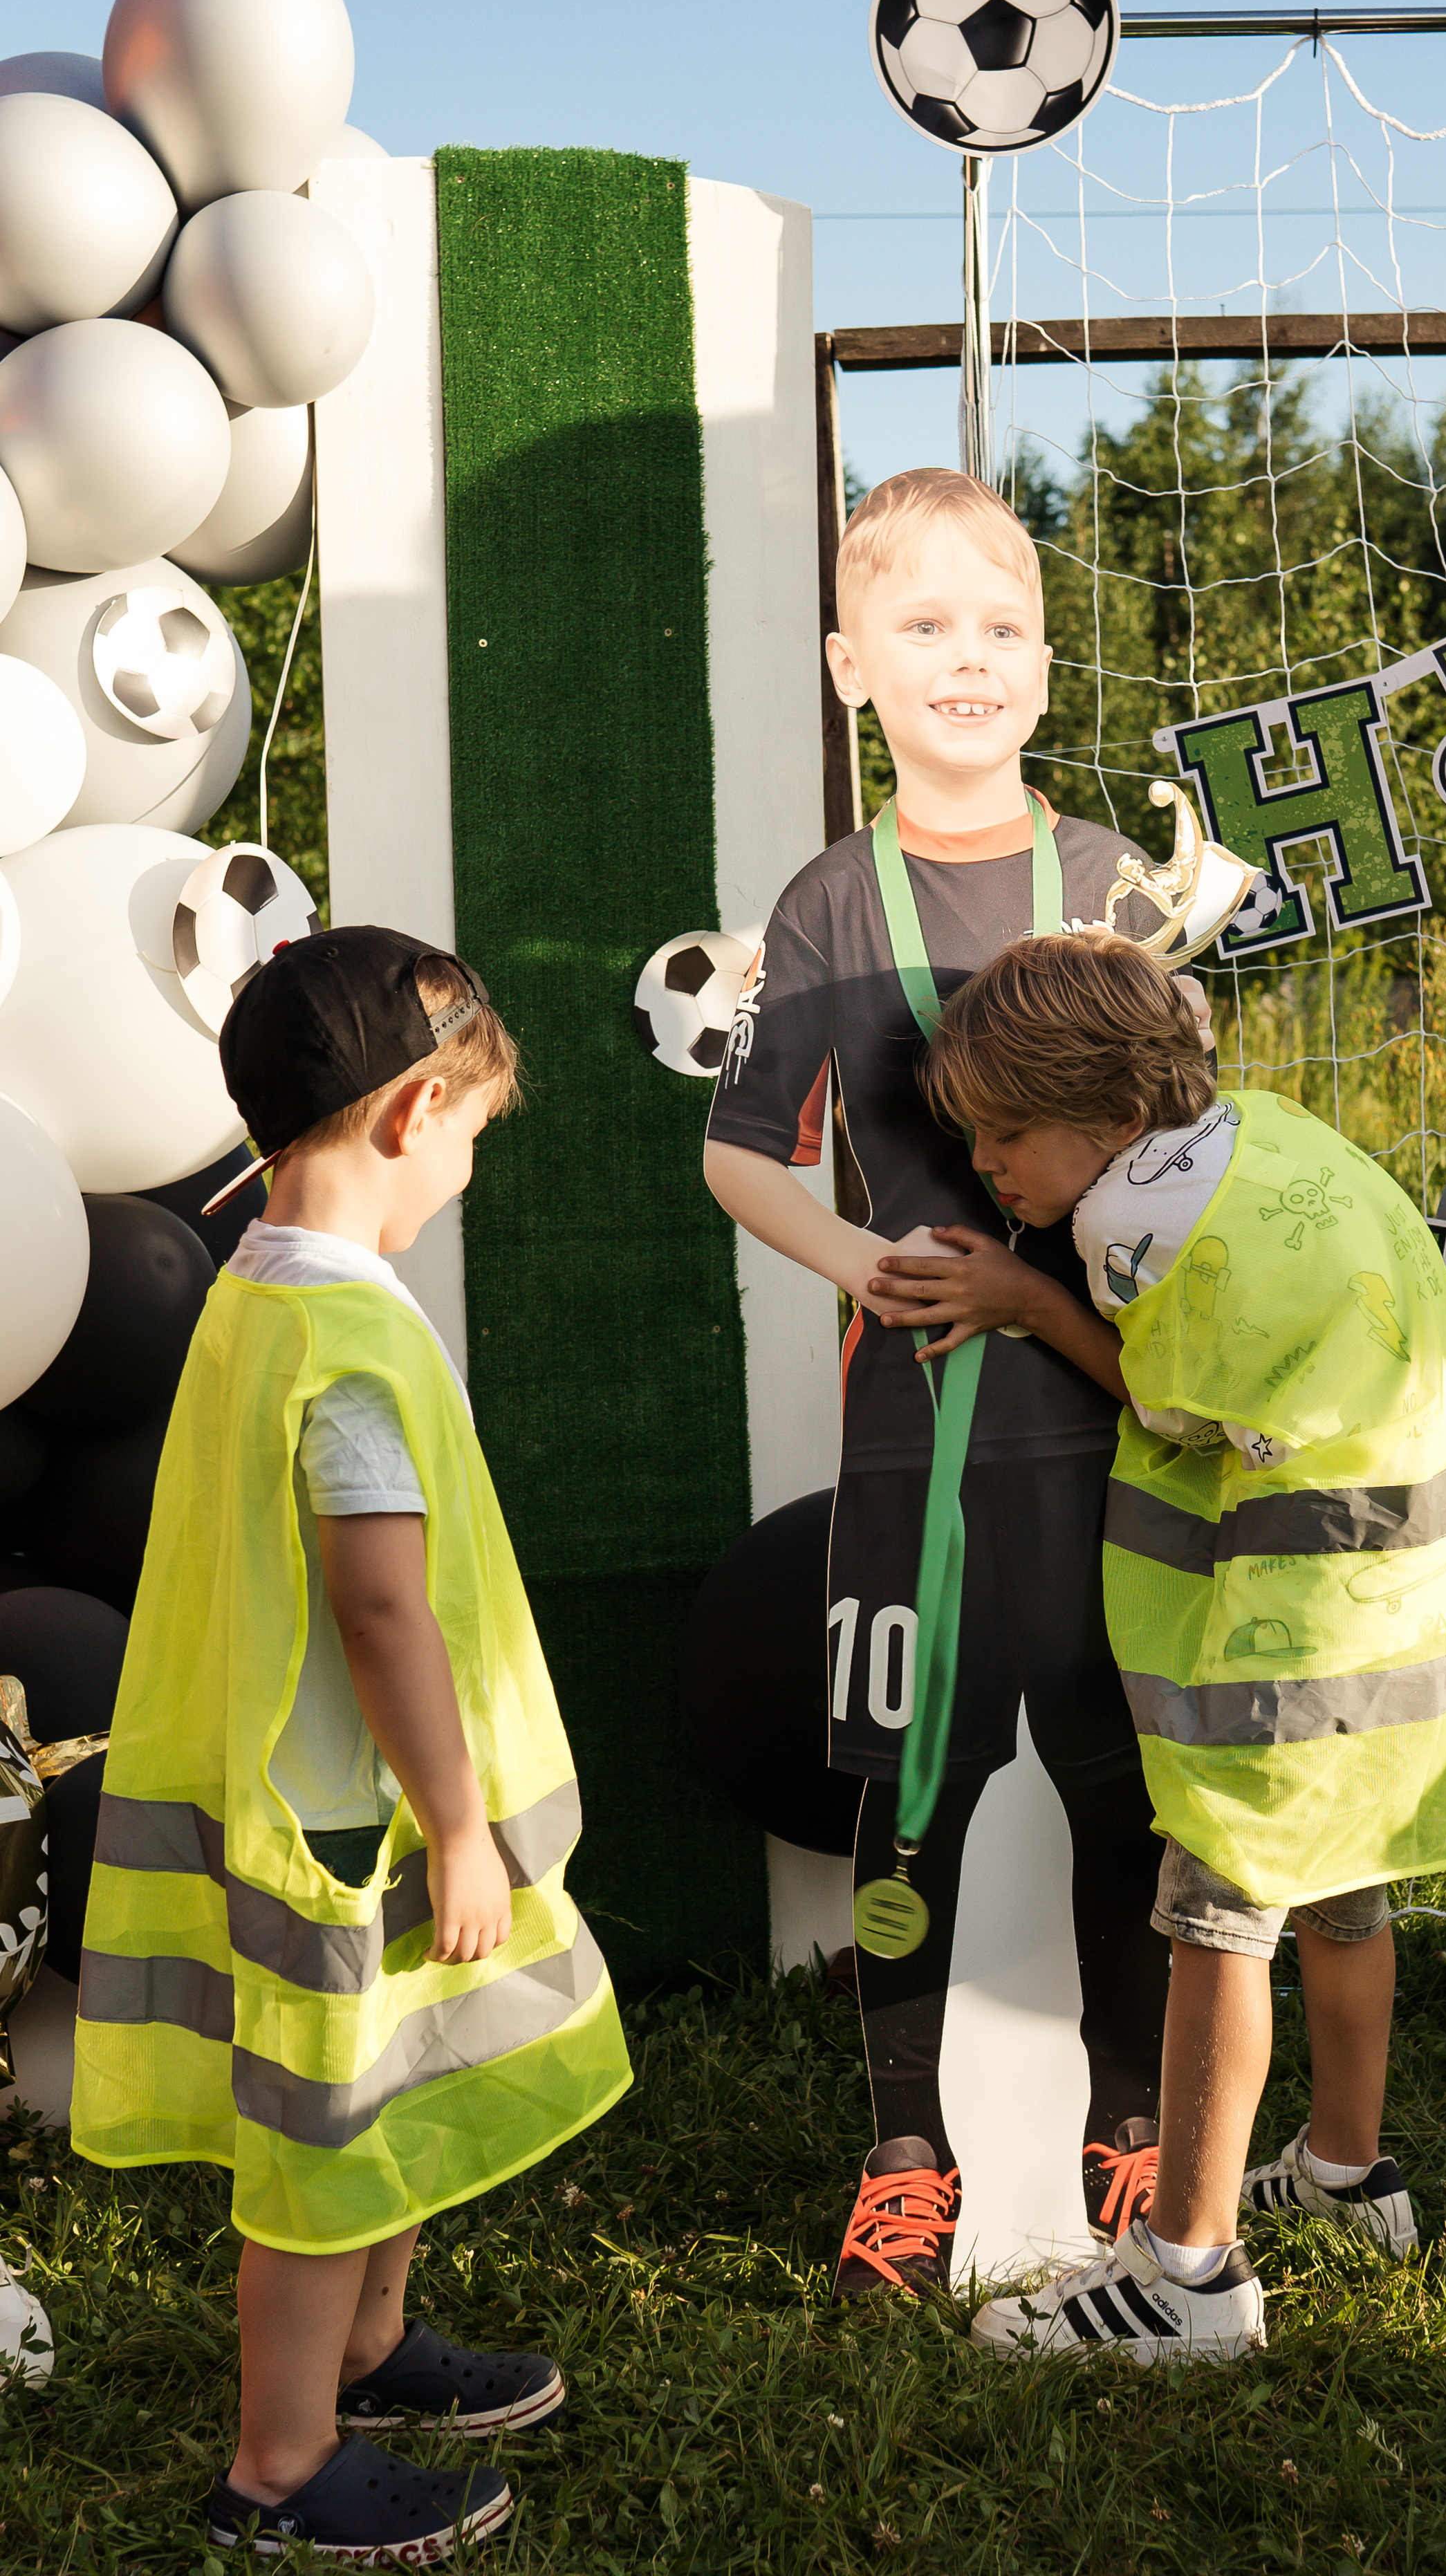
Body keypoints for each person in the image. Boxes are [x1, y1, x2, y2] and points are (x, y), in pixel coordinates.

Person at [871, 929, 1446, 2363]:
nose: (991, 1168)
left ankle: (1187, 2272)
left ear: (1110, 1124)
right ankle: (1349, 2173)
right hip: (1416, 1589)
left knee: (1215, 1922)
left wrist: (1028, 1296)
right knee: (1341, 1888)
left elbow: (1163, 1403)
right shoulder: (1279, 1133)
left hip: (1297, 1626)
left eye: (1007, 1137)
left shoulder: (1128, 1232)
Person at [71, 929, 631, 2557]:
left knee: (385, 2091)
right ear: (408, 1117)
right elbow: (379, 1604)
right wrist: (461, 1827)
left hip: (342, 1804)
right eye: (468, 1129)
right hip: (346, 1821)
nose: (463, 1164)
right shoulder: (354, 1339)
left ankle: (377, 2356)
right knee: (321, 2148)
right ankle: (280, 2467)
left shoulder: (261, 1285)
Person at [705, 467, 1196, 2295]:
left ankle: (1133, 2123)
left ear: (1047, 672)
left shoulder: (1110, 888)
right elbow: (742, 1150)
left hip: (1109, 1418)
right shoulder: (830, 904)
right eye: (923, 629)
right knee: (907, 1791)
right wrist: (860, 1261)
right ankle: (905, 2147)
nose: (965, 661)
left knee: (1127, 1778)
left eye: (998, 630)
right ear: (854, 668)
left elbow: (1195, 1132)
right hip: (916, 1443)